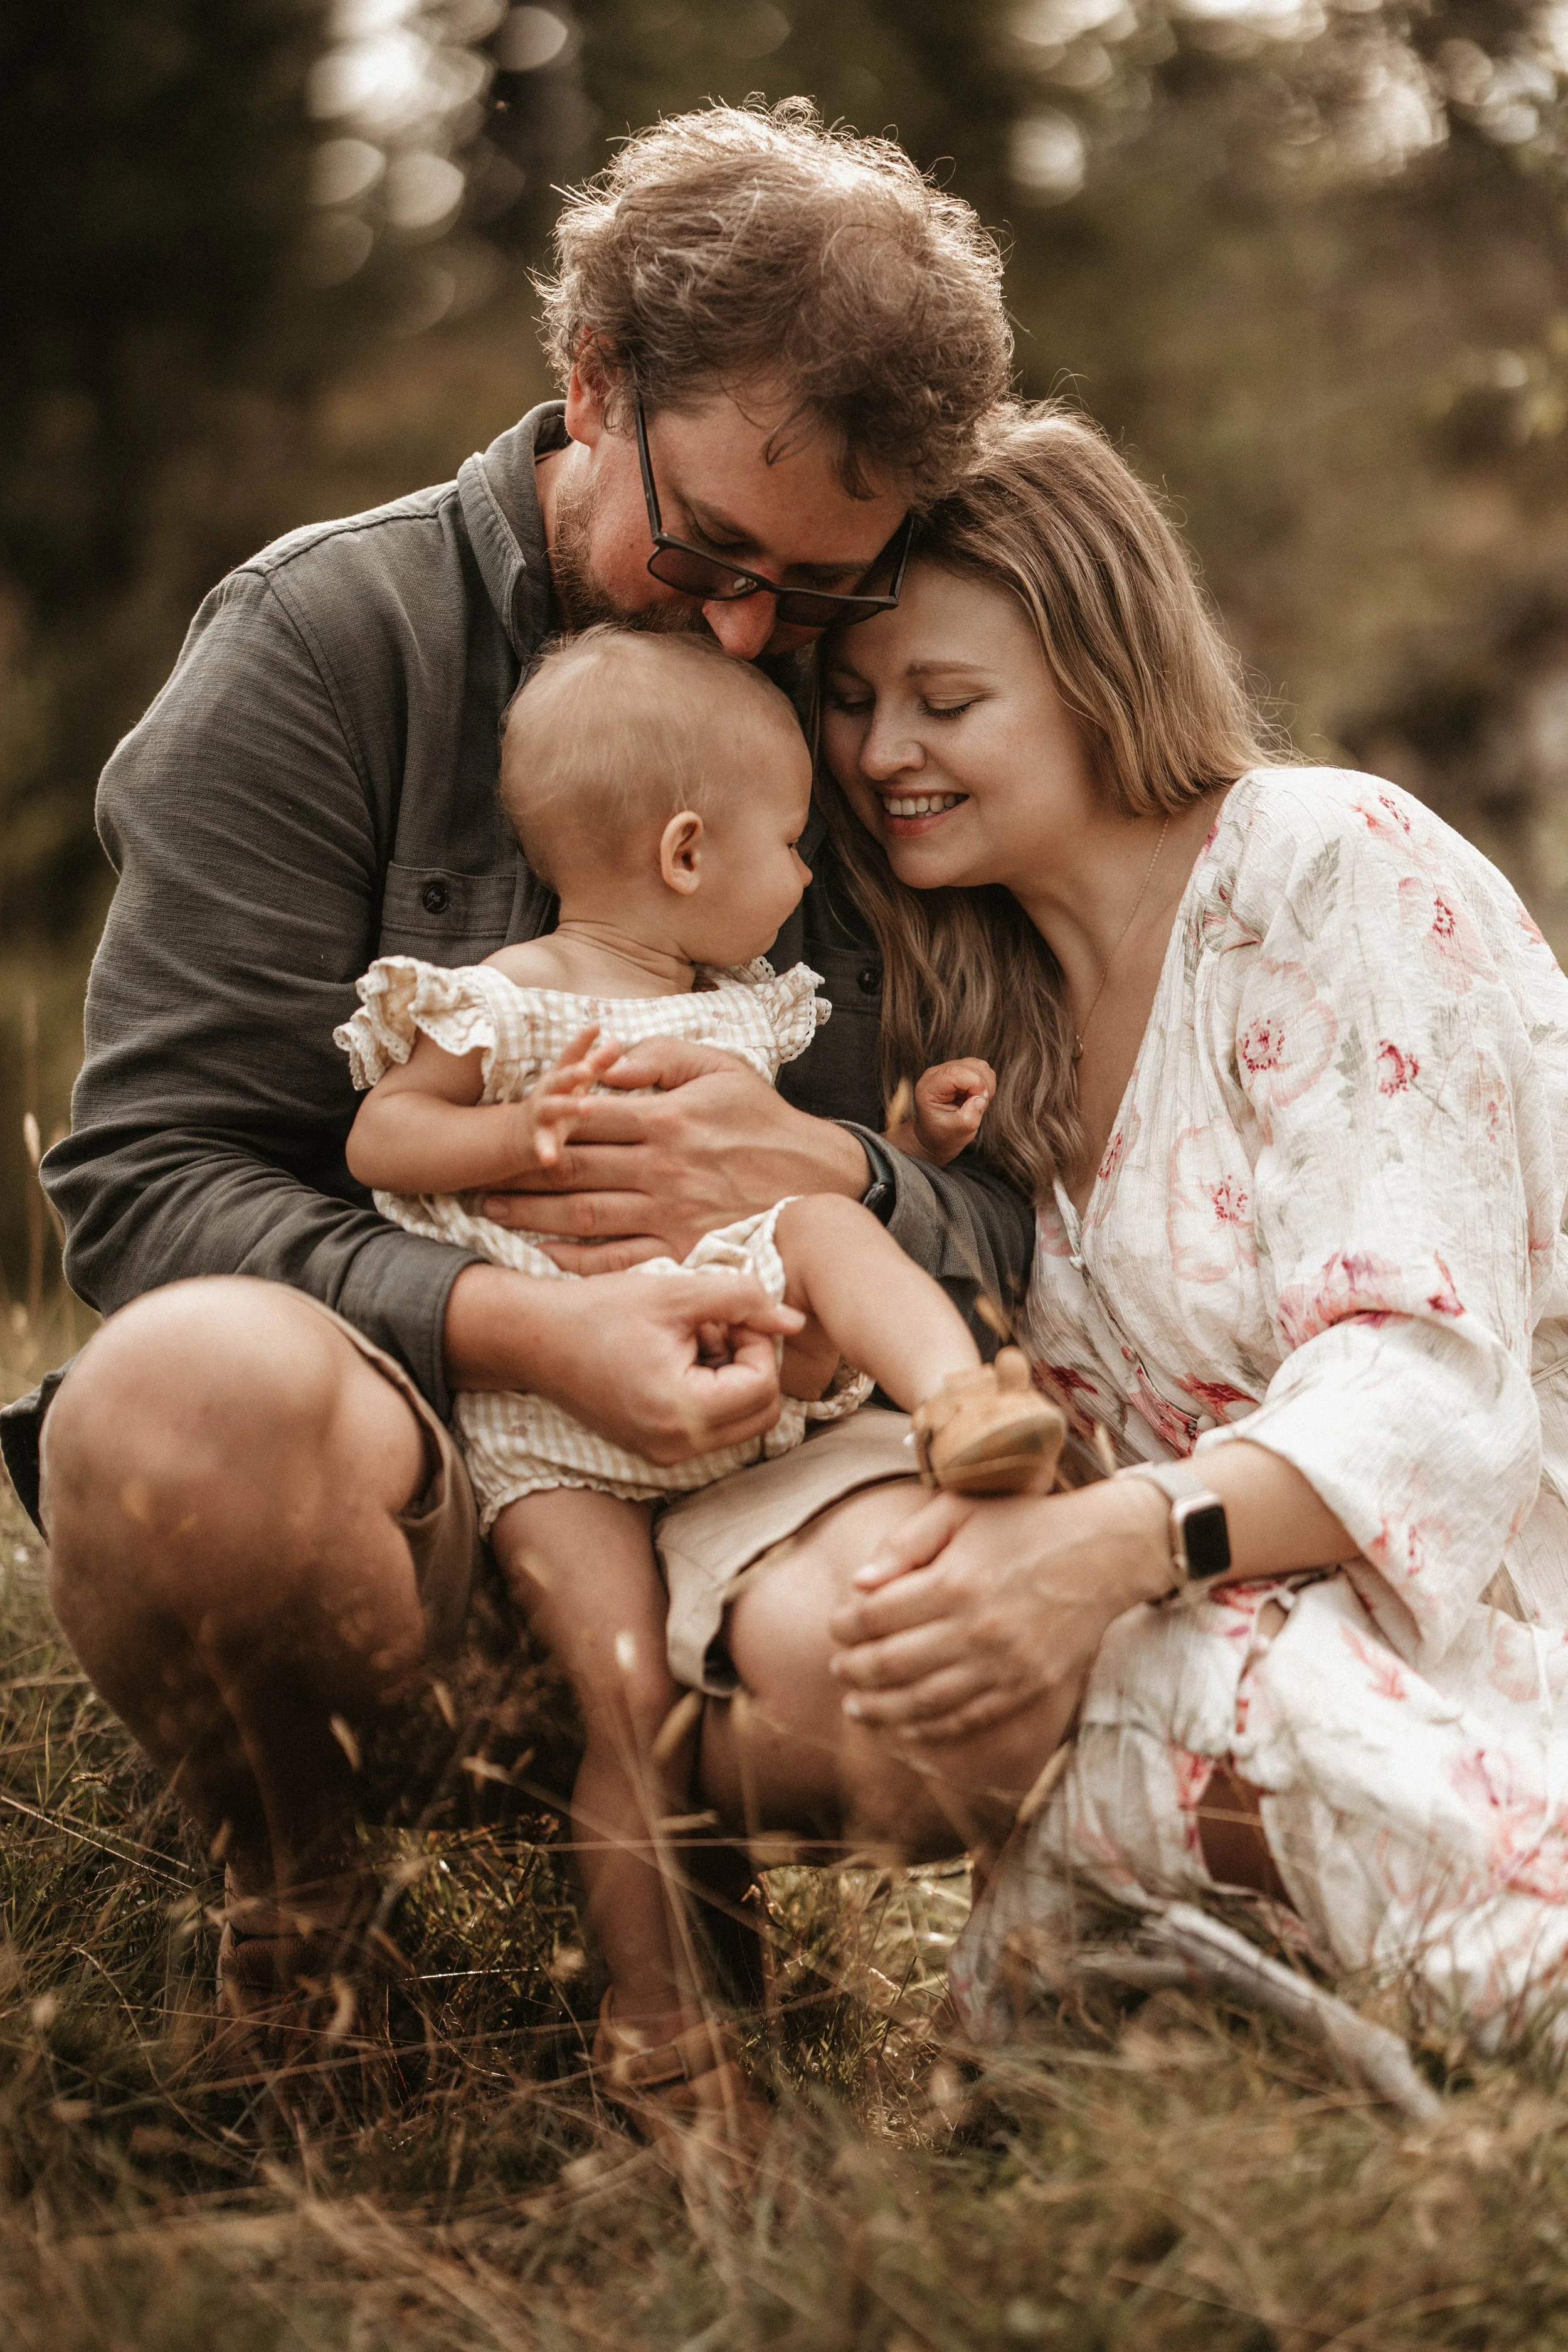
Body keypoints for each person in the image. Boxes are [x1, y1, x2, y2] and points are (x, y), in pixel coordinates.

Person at [3, 100, 1026, 2058]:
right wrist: (532, 1333)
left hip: (768, 1463)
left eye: (808, 590)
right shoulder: (332, 642)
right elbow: (142, 1176)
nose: (747, 628)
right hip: (423, 1486)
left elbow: (1023, 1199)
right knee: (172, 1398)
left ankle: (716, 1913)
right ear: (590, 379)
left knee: (976, 1630)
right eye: (713, 548)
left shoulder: (892, 689)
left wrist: (844, 1177)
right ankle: (300, 1889)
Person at [670, 403, 1568, 2053]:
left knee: (1180, 1693)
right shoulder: (965, 1002)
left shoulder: (1323, 865)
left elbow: (1421, 1380)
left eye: (947, 701)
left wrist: (1101, 1549)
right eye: (854, 704)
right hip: (1196, 1626)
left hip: (1484, 1606)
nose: (880, 757)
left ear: (1098, 672)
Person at [334, 623, 1059, 2140]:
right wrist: (514, 1142)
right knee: (629, 1703)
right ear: (683, 849)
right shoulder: (507, 1008)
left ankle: (961, 1404)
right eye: (789, 842)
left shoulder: (744, 1008)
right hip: (559, 1432)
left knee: (821, 1212)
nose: (807, 875)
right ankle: (659, 2027)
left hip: (740, 1370)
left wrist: (911, 1143)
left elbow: (790, 1164)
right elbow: (380, 1143)